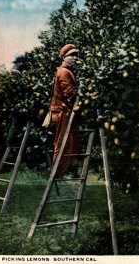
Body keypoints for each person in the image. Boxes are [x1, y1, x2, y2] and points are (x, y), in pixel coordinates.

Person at [50, 44, 81, 178]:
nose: (74, 58)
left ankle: (67, 171)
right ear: (64, 57)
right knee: (63, 142)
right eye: (71, 56)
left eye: (76, 55)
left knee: (71, 142)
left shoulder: (68, 71)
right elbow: (69, 93)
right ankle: (58, 172)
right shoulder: (63, 72)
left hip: (66, 111)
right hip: (62, 112)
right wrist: (82, 92)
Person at [6, 56, 28, 147]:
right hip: (16, 102)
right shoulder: (15, 73)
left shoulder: (16, 72)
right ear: (18, 63)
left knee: (16, 124)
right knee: (16, 124)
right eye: (21, 62)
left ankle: (12, 142)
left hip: (15, 102)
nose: (23, 64)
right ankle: (10, 143)